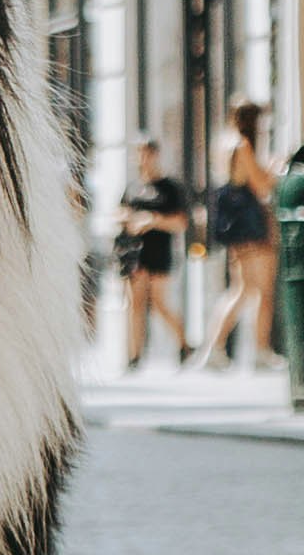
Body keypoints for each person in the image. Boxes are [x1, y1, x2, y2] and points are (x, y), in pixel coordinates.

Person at [199, 98, 279, 370]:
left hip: (234, 225)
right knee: (262, 290)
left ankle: (215, 348)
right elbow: (260, 186)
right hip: (249, 224)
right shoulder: (242, 145)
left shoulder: (222, 143)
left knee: (242, 288)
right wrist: (276, 170)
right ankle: (259, 350)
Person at [113, 139, 191, 370]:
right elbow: (118, 213)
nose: (143, 159)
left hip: (159, 249)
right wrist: (128, 219)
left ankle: (184, 343)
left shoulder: (169, 188)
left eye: (147, 154)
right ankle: (133, 355)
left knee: (159, 303)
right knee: (134, 303)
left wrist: (154, 221)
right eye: (139, 154)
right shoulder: (132, 187)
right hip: (134, 252)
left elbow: (181, 222)